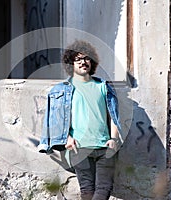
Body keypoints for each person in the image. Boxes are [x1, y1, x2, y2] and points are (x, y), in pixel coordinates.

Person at [38, 40, 122, 200]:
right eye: (78, 59)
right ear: (71, 64)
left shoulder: (103, 86)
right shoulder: (62, 90)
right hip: (79, 148)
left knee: (104, 189)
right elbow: (55, 119)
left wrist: (113, 139)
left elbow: (114, 116)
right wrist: (67, 139)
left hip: (105, 147)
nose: (83, 62)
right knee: (87, 191)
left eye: (87, 58)